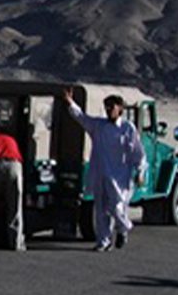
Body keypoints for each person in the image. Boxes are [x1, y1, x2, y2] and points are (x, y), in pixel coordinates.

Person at [62, 89, 146, 252]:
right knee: (101, 210)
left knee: (116, 207)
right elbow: (81, 118)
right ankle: (104, 241)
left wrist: (140, 171)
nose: (108, 110)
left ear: (120, 108)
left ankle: (123, 228)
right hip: (101, 173)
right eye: (106, 107)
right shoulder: (98, 126)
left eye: (111, 107)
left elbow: (138, 152)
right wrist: (70, 103)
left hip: (120, 176)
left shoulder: (128, 128)